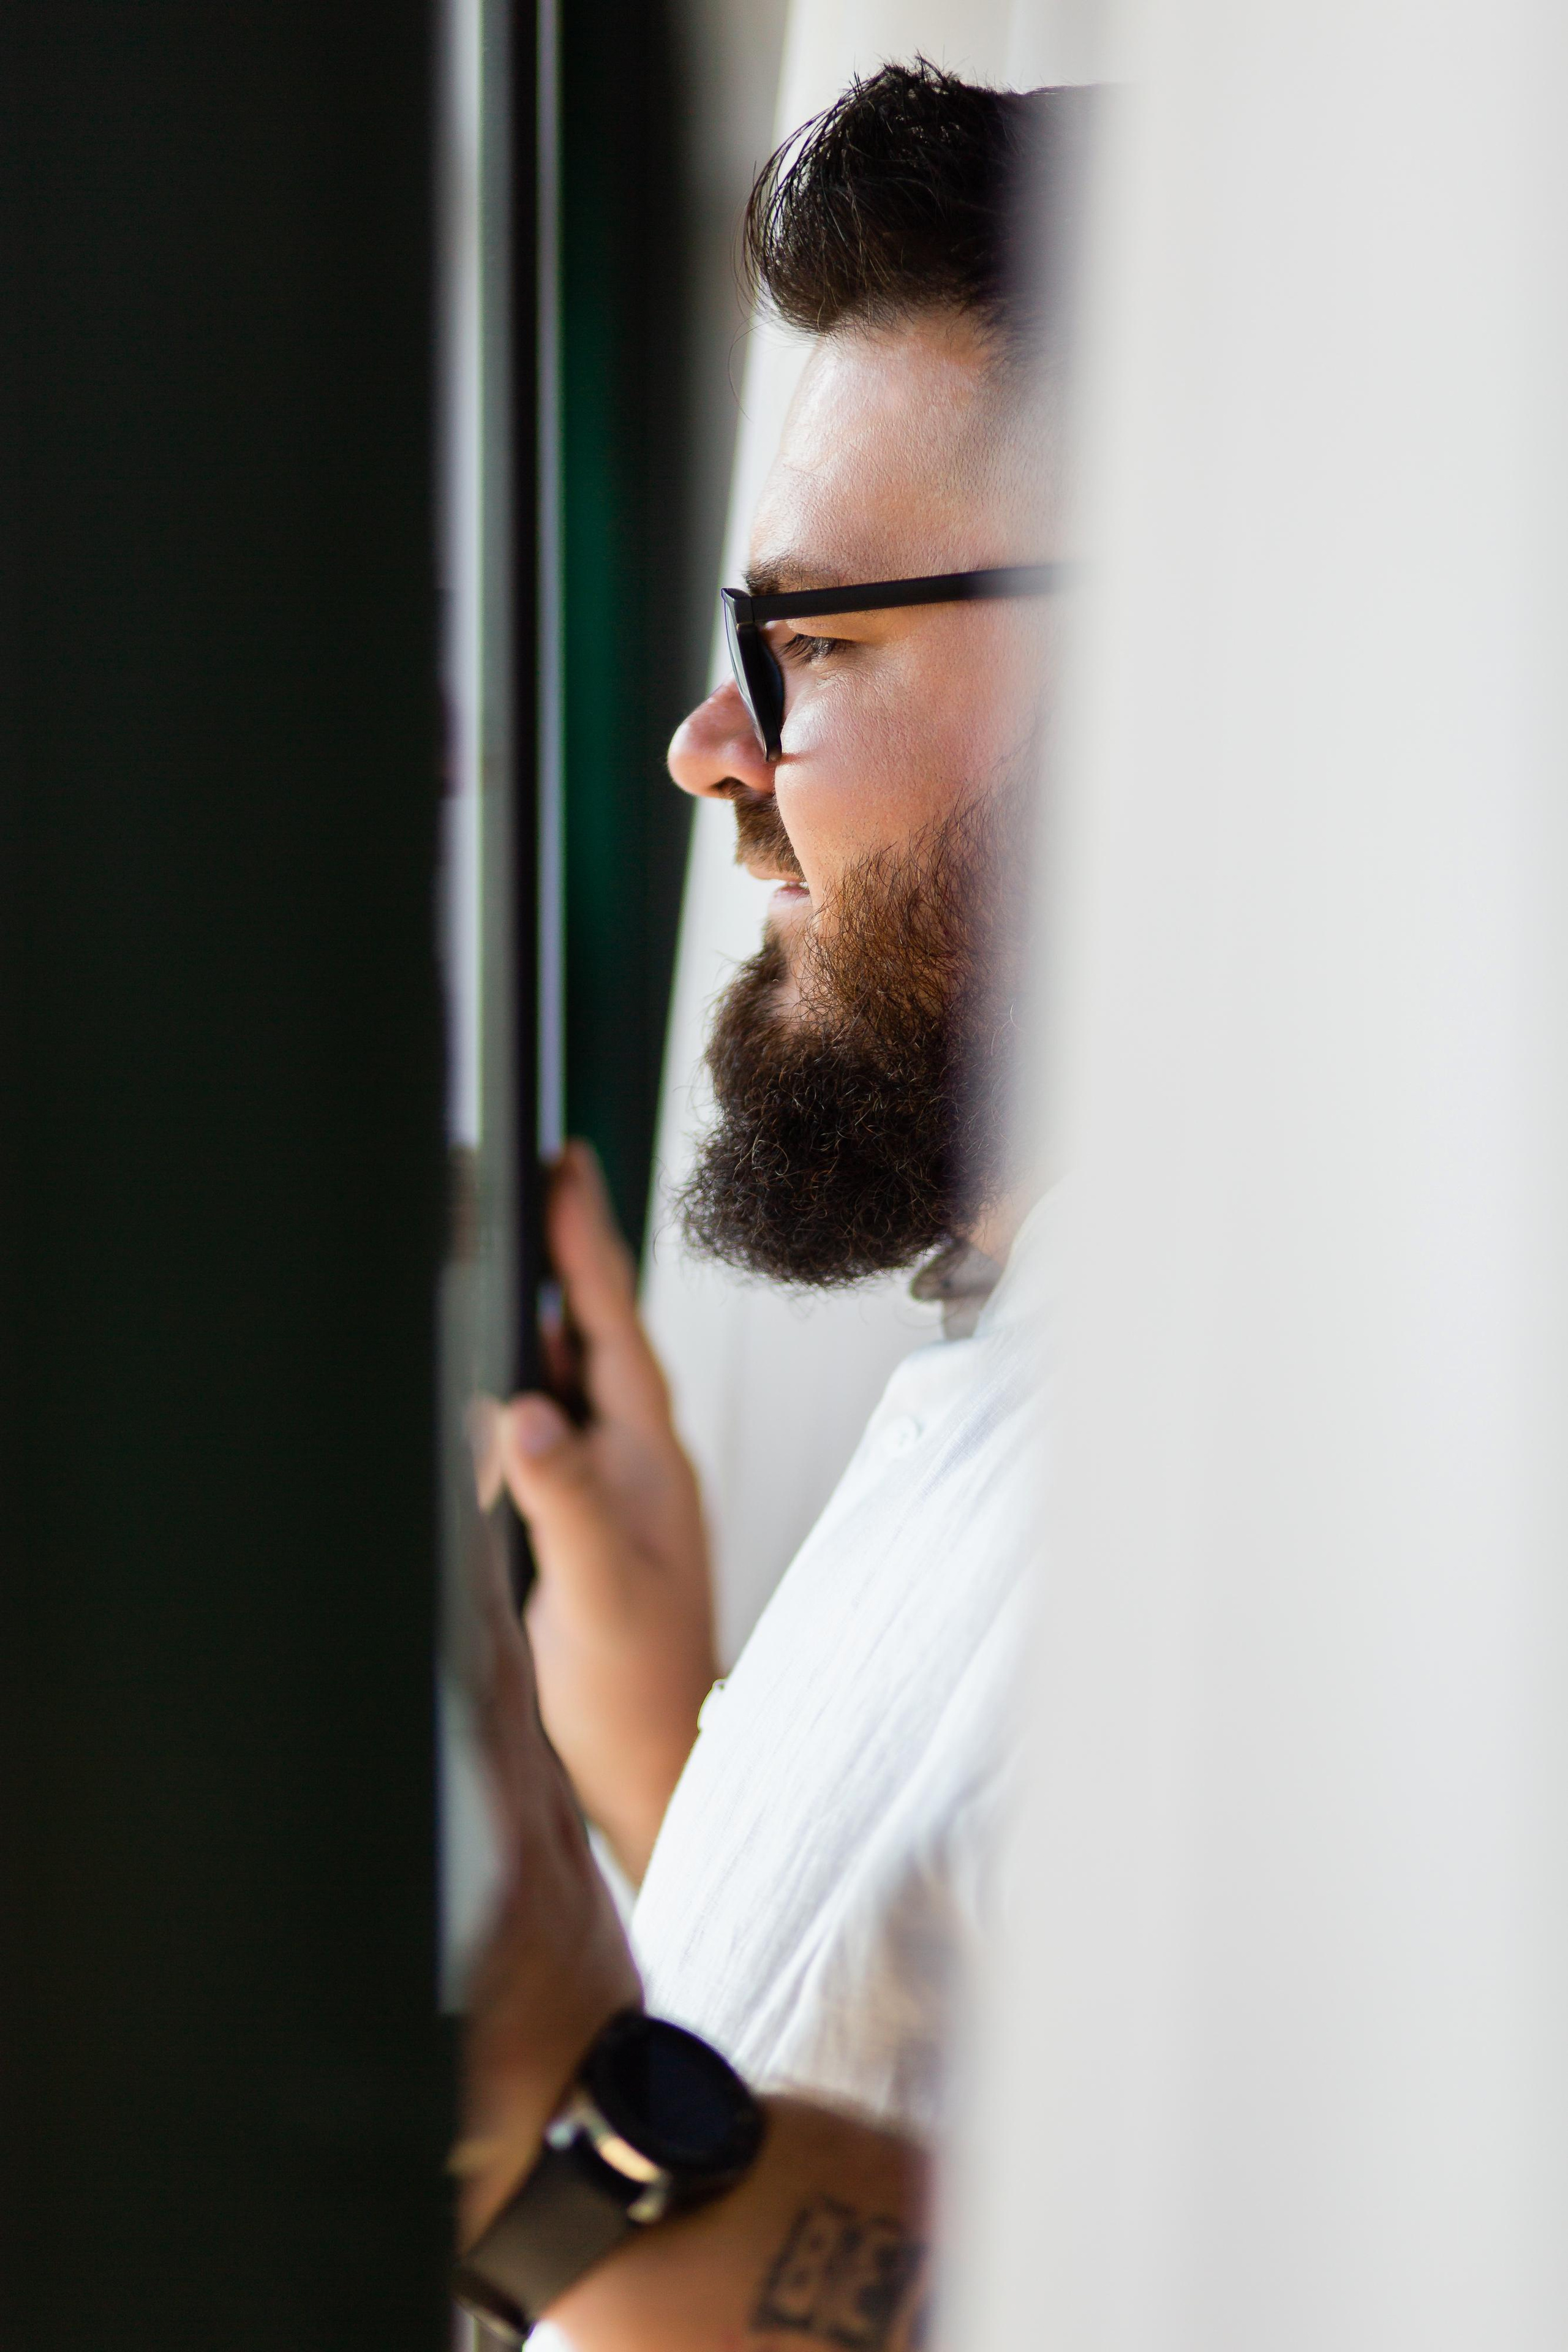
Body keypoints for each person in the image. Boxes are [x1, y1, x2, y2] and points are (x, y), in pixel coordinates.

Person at [455, 64, 1091, 2350]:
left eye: (813, 649)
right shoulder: (1032, 1378)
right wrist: (664, 1759)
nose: (708, 750)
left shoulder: (1310, 1509)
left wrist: (547, 2112)